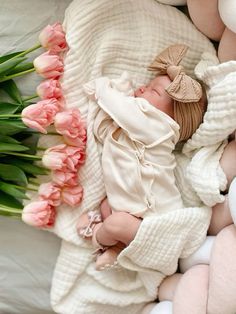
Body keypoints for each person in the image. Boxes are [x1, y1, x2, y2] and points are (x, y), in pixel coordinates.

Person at [77, 44, 207, 270]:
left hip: (155, 220)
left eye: (152, 91)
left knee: (116, 222)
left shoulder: (162, 128)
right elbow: (102, 130)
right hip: (129, 209)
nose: (140, 90)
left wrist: (104, 88)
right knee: (107, 207)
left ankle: (96, 237)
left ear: (173, 117)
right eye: (146, 86)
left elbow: (121, 109)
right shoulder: (134, 127)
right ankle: (117, 248)